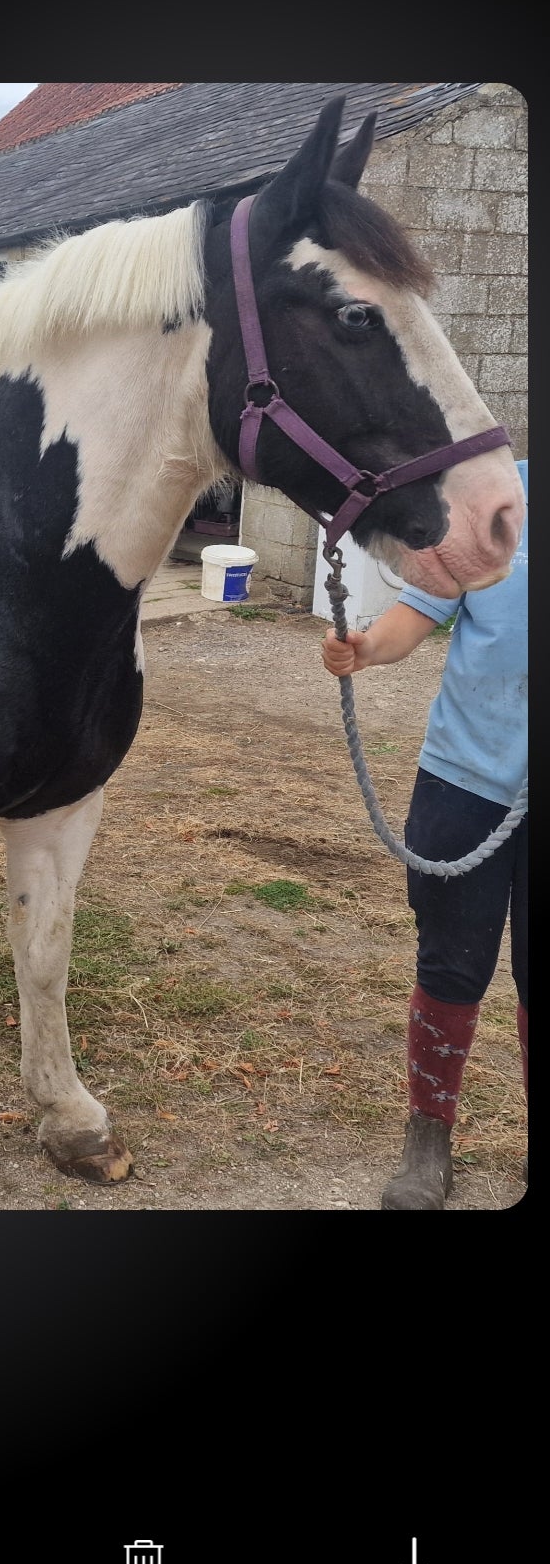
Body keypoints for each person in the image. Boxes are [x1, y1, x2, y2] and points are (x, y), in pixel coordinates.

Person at [322, 459, 528, 1210]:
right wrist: (364, 647)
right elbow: (423, 611)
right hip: (464, 781)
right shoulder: (498, 505)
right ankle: (428, 1138)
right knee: (450, 964)